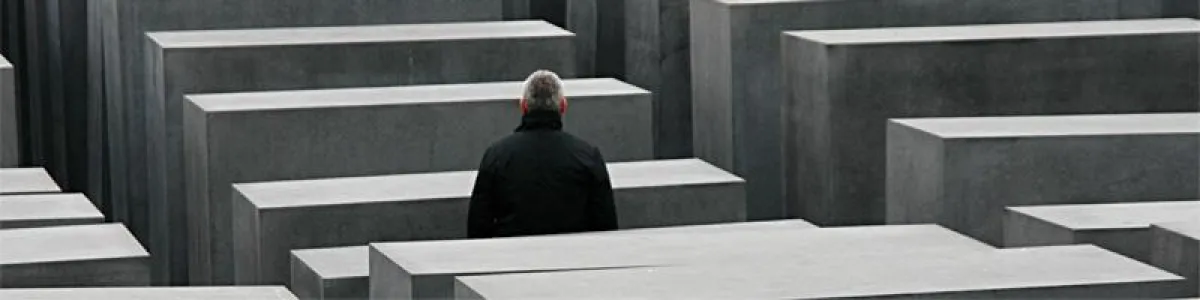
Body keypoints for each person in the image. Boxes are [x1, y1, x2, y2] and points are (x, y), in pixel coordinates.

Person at [467, 70, 617, 238]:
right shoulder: (588, 156)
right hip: (574, 257)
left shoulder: (496, 155)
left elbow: (477, 226)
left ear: (523, 106)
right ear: (563, 106)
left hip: (512, 257)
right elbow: (606, 226)